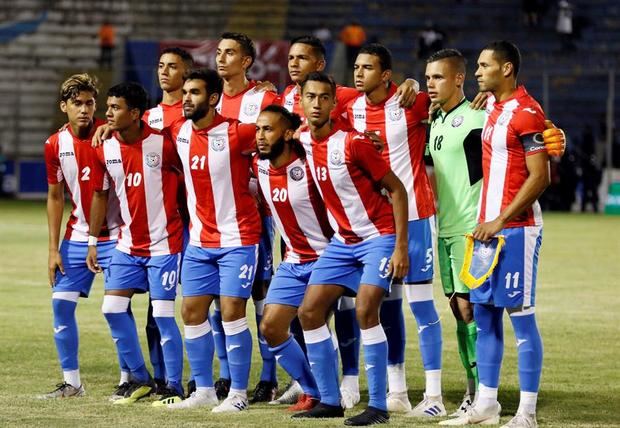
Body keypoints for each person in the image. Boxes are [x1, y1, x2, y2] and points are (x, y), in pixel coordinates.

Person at [276, 35, 418, 409]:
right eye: (310, 98)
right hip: (342, 242)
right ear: (300, 102)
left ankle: (379, 406)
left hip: (379, 236)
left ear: (335, 102)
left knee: (366, 309)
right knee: (308, 312)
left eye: (325, 98)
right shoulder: (301, 139)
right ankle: (329, 399)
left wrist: (401, 246)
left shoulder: (353, 143)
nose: (317, 104)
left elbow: (398, 190)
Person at [441, 40, 550, 427]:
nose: (477, 72)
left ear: (506, 69)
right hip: (484, 231)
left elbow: (540, 177)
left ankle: (527, 413)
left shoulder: (526, 112)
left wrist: (501, 219)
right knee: (484, 316)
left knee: (521, 319)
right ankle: (486, 405)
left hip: (516, 231)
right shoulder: (491, 107)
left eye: (485, 65)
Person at [346, 43, 443, 416]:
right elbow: (306, 91)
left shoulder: (411, 104)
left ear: (385, 75)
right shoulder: (348, 105)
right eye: (356, 66)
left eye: (367, 67)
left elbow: (447, 94)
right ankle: (398, 391)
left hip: (415, 216)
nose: (358, 73)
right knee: (384, 306)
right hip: (373, 224)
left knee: (420, 304)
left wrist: (414, 82)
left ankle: (433, 396)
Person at [165, 69, 261, 413]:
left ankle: (238, 393)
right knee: (191, 312)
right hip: (199, 242)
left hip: (239, 238)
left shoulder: (239, 133)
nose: (186, 98)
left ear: (214, 98)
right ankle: (204, 390)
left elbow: (284, 134)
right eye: (185, 92)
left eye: (193, 93)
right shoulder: (177, 131)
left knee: (232, 312)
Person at [87, 82, 185, 406]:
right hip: (127, 244)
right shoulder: (104, 148)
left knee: (162, 314)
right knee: (112, 308)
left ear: (135, 113)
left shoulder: (165, 144)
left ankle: (173, 386)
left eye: (115, 108)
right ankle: (140, 378)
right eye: (108, 107)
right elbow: (100, 194)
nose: (108, 113)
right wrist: (92, 239)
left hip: (164, 244)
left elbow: (190, 185)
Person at [40, 73, 121, 399]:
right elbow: (55, 196)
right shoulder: (54, 144)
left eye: (90, 103)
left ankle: (129, 378)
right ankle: (72, 382)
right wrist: (52, 249)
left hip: (117, 236)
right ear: (64, 107)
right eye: (77, 103)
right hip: (76, 237)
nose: (85, 109)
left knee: (118, 310)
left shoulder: (110, 136)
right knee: (60, 306)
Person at [213, 32, 280, 402]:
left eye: (230, 53)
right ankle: (225, 374)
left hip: (256, 211)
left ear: (247, 61)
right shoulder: (207, 99)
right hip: (211, 214)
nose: (221, 59)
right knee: (213, 297)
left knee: (260, 292)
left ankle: (267, 378)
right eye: (219, 52)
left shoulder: (262, 99)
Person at [253, 104, 331, 412]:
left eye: (267, 129)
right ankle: (311, 390)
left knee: (317, 324)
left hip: (328, 255)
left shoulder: (311, 164)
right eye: (258, 129)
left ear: (287, 134)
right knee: (271, 327)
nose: (259, 136)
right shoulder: (259, 166)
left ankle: (334, 393)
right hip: (293, 259)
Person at [425, 49, 486, 416]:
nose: (432, 84)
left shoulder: (478, 114)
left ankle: (479, 392)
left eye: (439, 77)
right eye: (428, 77)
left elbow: (519, 122)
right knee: (456, 307)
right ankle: (473, 388)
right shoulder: (435, 121)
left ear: (459, 79)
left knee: (469, 309)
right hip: (445, 229)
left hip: (472, 230)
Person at [141, 46, 194, 396]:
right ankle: (161, 378)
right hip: (160, 224)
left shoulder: (196, 113)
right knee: (155, 308)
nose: (165, 72)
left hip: (195, 220)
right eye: (161, 65)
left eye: (173, 66)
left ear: (186, 74)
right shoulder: (146, 117)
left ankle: (207, 377)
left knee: (202, 303)